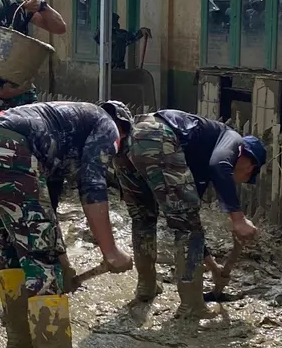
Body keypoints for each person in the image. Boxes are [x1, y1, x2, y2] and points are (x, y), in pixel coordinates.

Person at [0, 100, 134, 348]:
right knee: (42, 261)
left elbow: (45, 213)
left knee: (12, 244)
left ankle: (21, 339)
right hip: (9, 152)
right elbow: (92, 185)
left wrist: (63, 260)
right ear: (123, 129)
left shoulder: (63, 130)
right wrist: (110, 251)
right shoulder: (107, 125)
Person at [113, 109, 265, 319]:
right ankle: (192, 306)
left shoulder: (195, 163)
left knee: (143, 218)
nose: (244, 176)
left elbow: (190, 219)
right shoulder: (233, 139)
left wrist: (213, 267)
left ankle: (146, 287)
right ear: (250, 162)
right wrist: (238, 219)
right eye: (249, 172)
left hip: (130, 140)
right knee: (186, 228)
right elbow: (220, 165)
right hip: (158, 135)